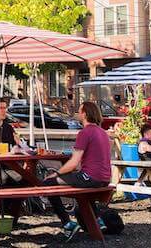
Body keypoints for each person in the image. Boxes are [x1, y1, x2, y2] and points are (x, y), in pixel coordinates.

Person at [43, 101, 110, 242]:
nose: (78, 113)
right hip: (104, 178)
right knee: (82, 191)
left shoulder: (85, 132)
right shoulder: (102, 132)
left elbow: (73, 163)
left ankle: (67, 223)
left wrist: (56, 173)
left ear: (85, 114)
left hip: (90, 178)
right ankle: (97, 220)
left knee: (47, 183)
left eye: (79, 111)